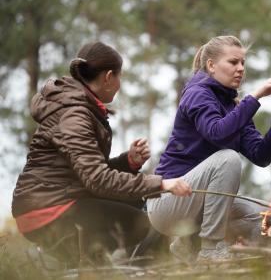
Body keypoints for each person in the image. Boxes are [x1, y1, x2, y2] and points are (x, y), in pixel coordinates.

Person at [11, 41, 191, 267]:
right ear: (108, 77)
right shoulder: (74, 114)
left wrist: (129, 161)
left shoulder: (79, 107)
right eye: (119, 76)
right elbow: (97, 180)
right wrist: (162, 184)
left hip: (57, 202)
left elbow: (87, 173)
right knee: (149, 226)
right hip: (50, 210)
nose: (120, 83)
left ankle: (80, 264)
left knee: (137, 203)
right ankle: (68, 261)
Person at [147, 35, 271, 263]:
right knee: (228, 158)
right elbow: (217, 132)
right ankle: (210, 249)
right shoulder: (197, 94)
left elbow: (261, 155)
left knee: (265, 218)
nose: (240, 69)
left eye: (243, 63)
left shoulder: (234, 106)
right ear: (211, 65)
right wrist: (255, 97)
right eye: (233, 62)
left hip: (196, 203)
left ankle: (188, 245)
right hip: (167, 203)